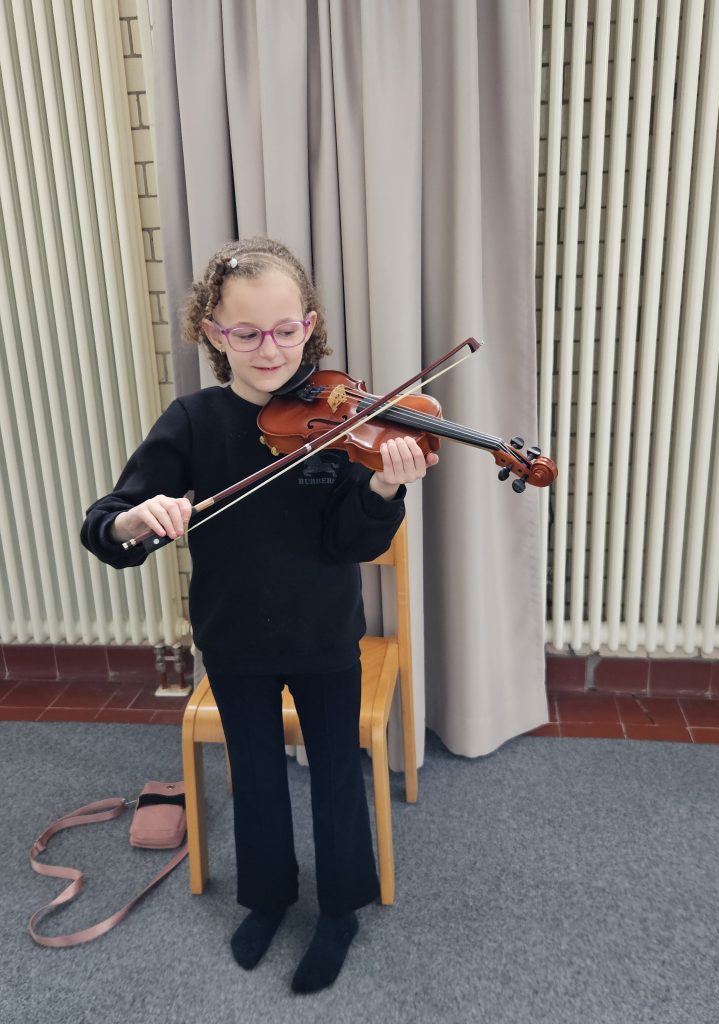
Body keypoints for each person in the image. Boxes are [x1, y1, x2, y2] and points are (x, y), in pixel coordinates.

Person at [81, 237, 438, 993]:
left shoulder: (338, 421)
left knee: (337, 774)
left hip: (325, 636)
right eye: (246, 333)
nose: (269, 349)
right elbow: (106, 524)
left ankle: (340, 908)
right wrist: (138, 518)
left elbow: (350, 543)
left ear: (309, 325)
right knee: (255, 773)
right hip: (235, 635)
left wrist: (383, 489)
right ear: (214, 333)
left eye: (284, 329)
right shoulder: (193, 420)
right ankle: (268, 898)